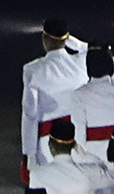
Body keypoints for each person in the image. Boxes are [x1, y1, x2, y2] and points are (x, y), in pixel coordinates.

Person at [20, 19, 88, 179]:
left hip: (48, 142)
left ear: (44, 39)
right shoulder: (82, 62)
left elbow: (30, 114)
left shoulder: (32, 69)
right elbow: (107, 58)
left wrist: (29, 154)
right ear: (67, 39)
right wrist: (76, 44)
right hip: (79, 138)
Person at [69, 42, 114, 152]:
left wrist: (81, 156)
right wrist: (112, 68)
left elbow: (79, 131)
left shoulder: (78, 94)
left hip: (91, 150)